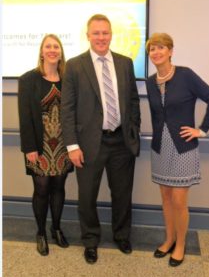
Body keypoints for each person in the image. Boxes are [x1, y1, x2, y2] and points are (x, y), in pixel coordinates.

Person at [61, 14, 141, 264]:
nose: (101, 37)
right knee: (87, 196)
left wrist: (133, 130)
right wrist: (72, 145)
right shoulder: (74, 65)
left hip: (121, 143)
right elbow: (68, 108)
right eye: (96, 33)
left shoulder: (125, 63)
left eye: (105, 32)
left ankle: (121, 235)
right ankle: (91, 240)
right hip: (87, 145)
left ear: (111, 34)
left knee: (122, 194)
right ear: (88, 36)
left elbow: (134, 101)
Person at [145, 33, 209, 267]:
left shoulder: (186, 75)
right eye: (151, 50)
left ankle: (181, 245)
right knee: (166, 198)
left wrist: (202, 129)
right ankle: (168, 240)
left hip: (183, 147)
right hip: (160, 146)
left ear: (170, 51)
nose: (155, 53)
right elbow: (157, 114)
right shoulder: (149, 81)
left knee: (179, 200)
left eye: (160, 48)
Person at [18, 34, 73, 256]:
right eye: (48, 46)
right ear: (41, 52)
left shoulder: (68, 79)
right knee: (41, 190)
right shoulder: (28, 79)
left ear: (61, 52)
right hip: (38, 146)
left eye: (56, 47)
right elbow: (25, 117)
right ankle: (41, 232)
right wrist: (29, 148)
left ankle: (56, 228)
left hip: (63, 145)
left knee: (59, 188)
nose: (52, 50)